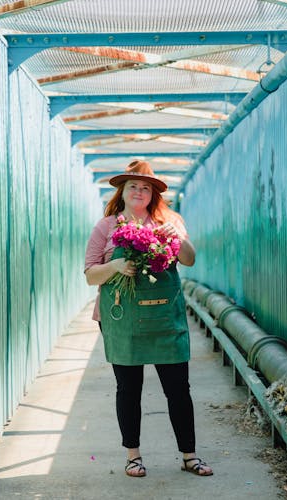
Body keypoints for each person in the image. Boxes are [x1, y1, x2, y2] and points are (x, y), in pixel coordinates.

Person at [84, 160, 213, 478]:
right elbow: (90, 275)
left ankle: (189, 456)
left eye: (146, 187)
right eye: (133, 186)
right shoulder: (107, 227)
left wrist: (177, 237)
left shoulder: (168, 221)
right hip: (122, 318)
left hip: (163, 318)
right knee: (129, 388)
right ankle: (133, 456)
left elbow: (190, 259)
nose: (139, 191)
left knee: (178, 389)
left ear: (154, 194)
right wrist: (115, 267)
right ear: (122, 192)